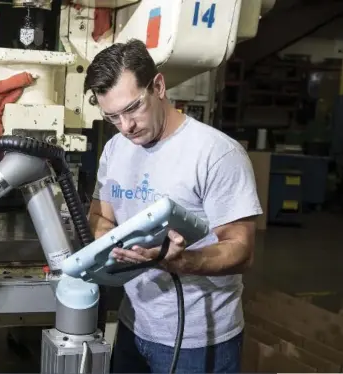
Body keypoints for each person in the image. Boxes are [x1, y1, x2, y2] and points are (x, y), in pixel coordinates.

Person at [83, 39, 262, 373]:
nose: (126, 126)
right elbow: (99, 215)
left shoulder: (216, 153)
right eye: (113, 117)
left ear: (159, 86)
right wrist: (115, 242)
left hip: (199, 340)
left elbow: (241, 250)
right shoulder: (115, 150)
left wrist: (182, 261)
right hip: (133, 325)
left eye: (133, 108)